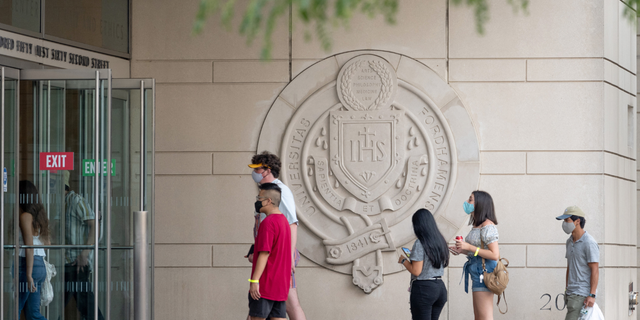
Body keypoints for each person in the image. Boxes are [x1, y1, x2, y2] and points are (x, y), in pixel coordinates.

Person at [246, 151, 307, 320]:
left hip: (278, 256)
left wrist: (288, 257)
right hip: (271, 254)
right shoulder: (268, 192)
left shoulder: (280, 191)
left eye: (257, 169)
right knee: (259, 303)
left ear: (267, 170)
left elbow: (292, 224)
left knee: (291, 304)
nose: (254, 173)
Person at [57, 171, 104, 320]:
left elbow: (94, 225)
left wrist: (85, 253)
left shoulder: (76, 201)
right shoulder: (59, 203)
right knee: (81, 304)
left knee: (84, 304)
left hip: (77, 263)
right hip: (67, 263)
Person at [450, 190, 500, 320]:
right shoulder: (478, 225)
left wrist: (469, 247)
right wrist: (463, 250)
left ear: (480, 203)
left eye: (470, 199)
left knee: (484, 317)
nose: (467, 202)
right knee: (479, 316)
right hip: (477, 271)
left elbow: (494, 254)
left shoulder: (487, 225)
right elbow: (478, 251)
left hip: (485, 273)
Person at [248, 183, 292, 320]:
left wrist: (254, 280)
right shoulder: (284, 222)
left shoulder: (268, 223)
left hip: (265, 286)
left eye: (259, 198)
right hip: (280, 287)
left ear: (268, 201)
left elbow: (264, 253)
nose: (257, 202)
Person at [398, 209, 449, 320]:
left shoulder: (420, 242)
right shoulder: (440, 240)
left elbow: (416, 271)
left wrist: (403, 260)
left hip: (424, 290)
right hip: (440, 288)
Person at [556, 206, 599, 320]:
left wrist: (592, 295)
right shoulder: (569, 242)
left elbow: (595, 269)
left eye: (567, 220)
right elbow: (570, 266)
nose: (564, 224)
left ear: (577, 221)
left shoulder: (589, 243)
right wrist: (566, 289)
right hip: (570, 293)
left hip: (581, 295)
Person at [18, 180, 50, 320]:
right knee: (33, 314)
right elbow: (47, 243)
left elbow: (28, 246)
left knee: (15, 309)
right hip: (39, 264)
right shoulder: (39, 216)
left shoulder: (25, 216)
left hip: (27, 265)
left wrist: (29, 275)